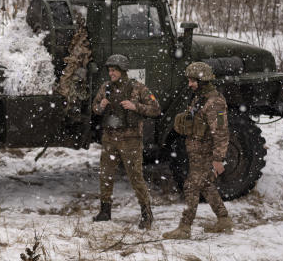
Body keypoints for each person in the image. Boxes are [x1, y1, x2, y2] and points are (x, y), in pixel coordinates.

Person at [163, 62, 233, 240]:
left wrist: (218, 159)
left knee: (191, 186)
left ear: (203, 80)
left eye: (193, 81)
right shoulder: (199, 98)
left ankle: (185, 227)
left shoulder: (215, 103)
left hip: (205, 154)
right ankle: (224, 220)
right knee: (206, 185)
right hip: (196, 152)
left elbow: (221, 132)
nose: (190, 84)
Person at [91, 54, 161, 229]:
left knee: (135, 177)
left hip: (130, 140)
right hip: (109, 138)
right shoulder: (105, 87)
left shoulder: (138, 88)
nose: (111, 73)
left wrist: (135, 106)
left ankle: (146, 214)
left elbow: (156, 109)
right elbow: (95, 108)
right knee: (105, 175)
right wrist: (102, 106)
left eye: (114, 70)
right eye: (109, 70)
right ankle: (105, 211)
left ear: (122, 71)